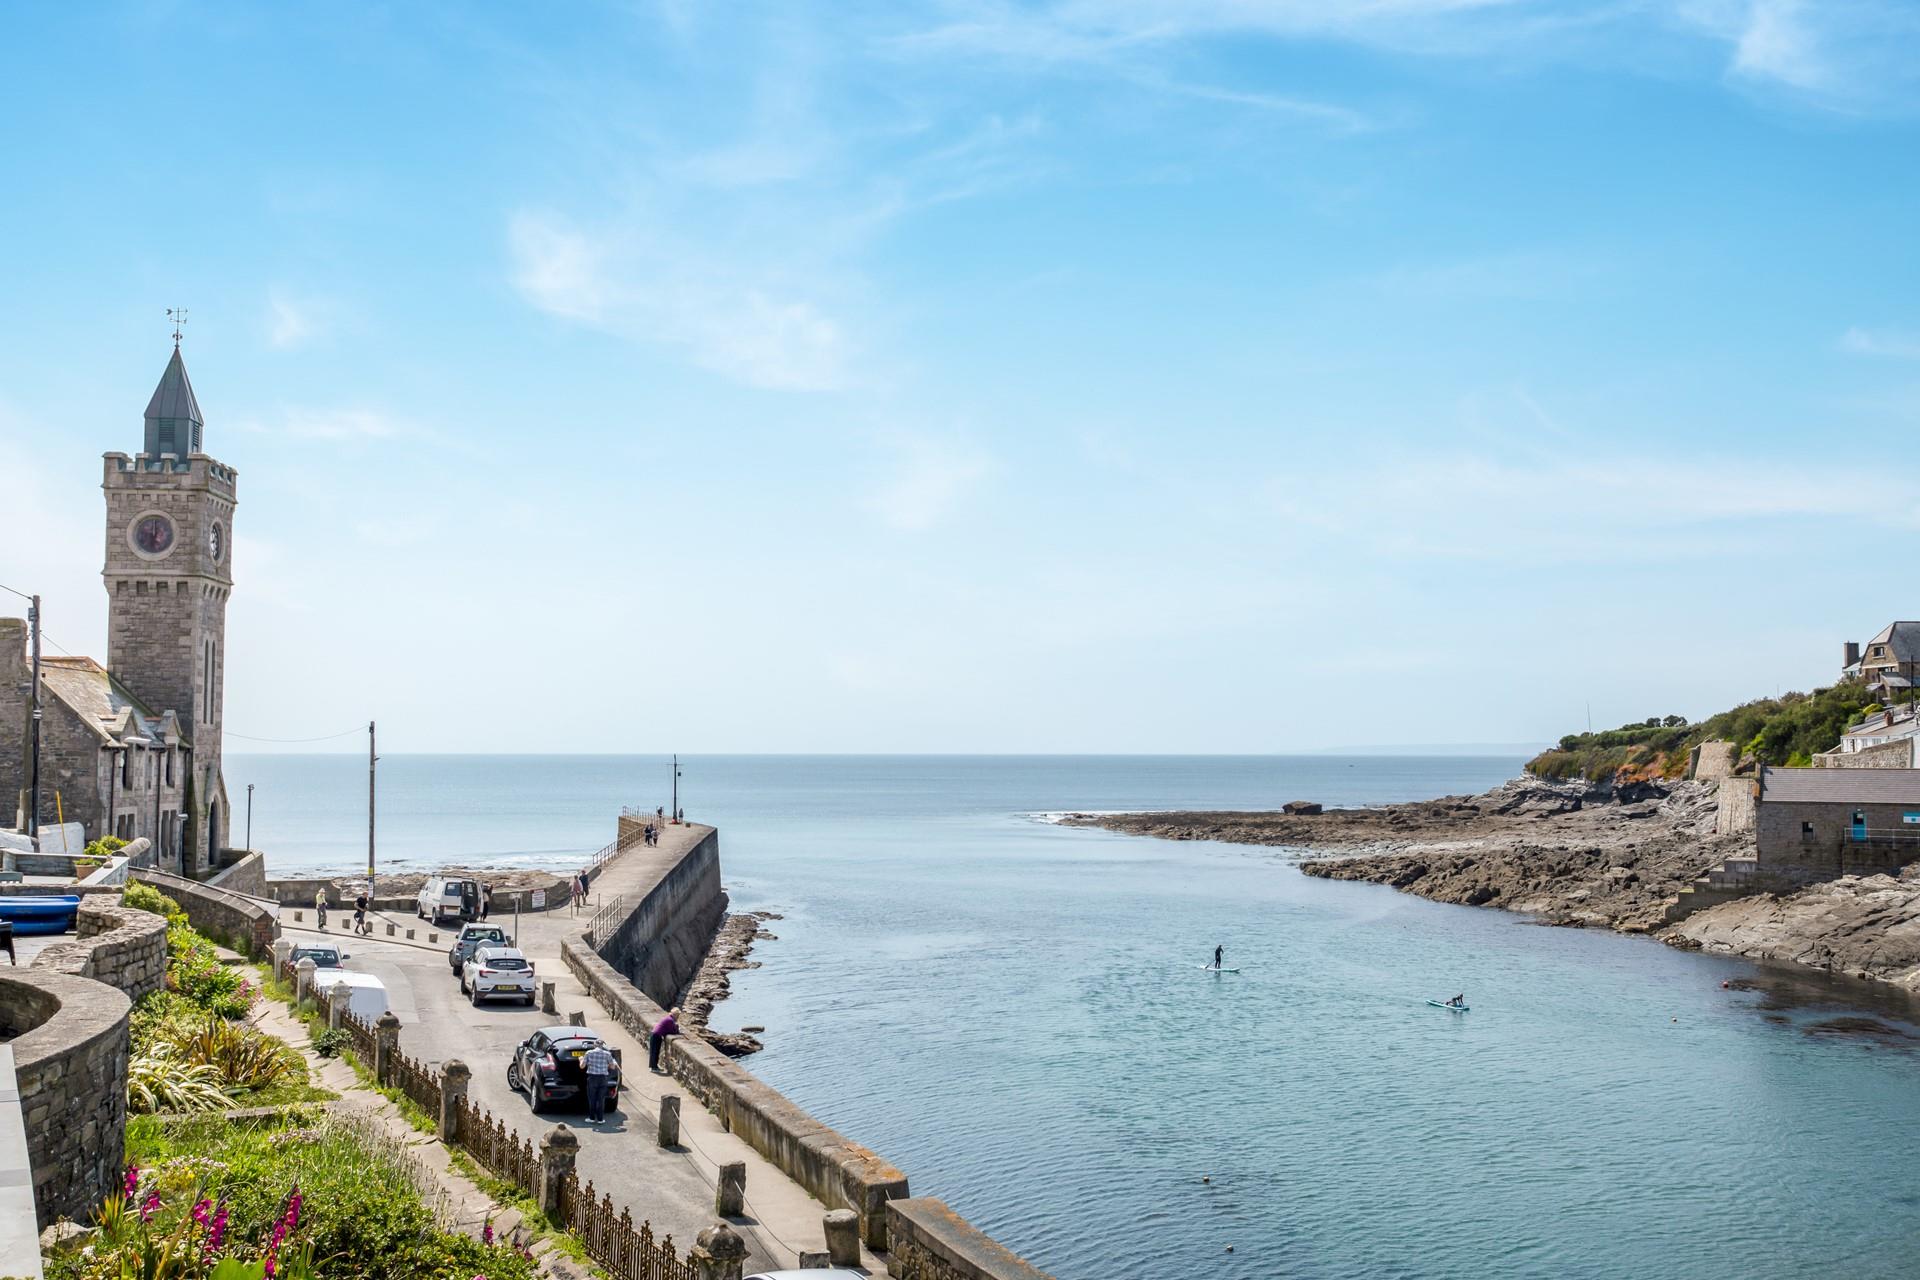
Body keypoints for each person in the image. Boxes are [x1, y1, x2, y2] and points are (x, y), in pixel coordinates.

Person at [581, 1039, 614, 1123]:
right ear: (602, 1045)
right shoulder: (607, 1054)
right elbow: (612, 1067)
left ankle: (592, 1118)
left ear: (594, 1045)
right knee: (601, 1099)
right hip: (603, 1078)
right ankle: (600, 1119)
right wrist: (609, 1064)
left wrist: (580, 1059)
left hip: (592, 1078)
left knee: (592, 1099)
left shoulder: (589, 1053)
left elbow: (582, 1066)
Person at [648, 1007, 680, 1072]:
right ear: (675, 1015)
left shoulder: (668, 1018)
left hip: (655, 1034)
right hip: (656, 1035)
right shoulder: (670, 1020)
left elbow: (668, 1030)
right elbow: (673, 1031)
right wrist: (676, 1027)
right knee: (655, 1052)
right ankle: (654, 1068)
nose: (678, 1017)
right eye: (678, 1015)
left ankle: (654, 1067)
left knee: (654, 1052)